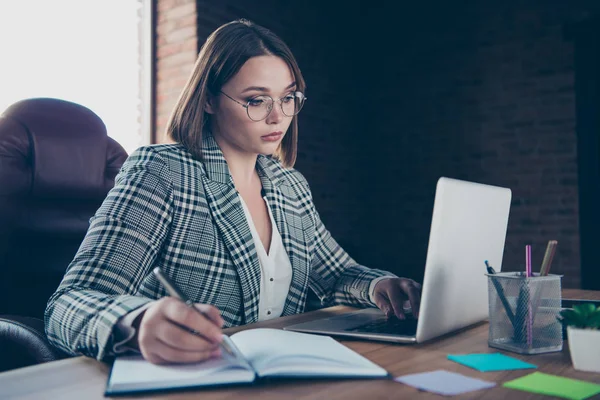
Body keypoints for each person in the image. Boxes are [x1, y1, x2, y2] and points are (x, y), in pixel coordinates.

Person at [45, 19, 421, 365]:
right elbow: (69, 303)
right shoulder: (162, 172)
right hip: (189, 380)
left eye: (288, 97)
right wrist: (135, 323)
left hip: (280, 378)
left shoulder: (290, 185)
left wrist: (379, 285)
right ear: (208, 100)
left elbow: (335, 273)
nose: (278, 117)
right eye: (257, 100)